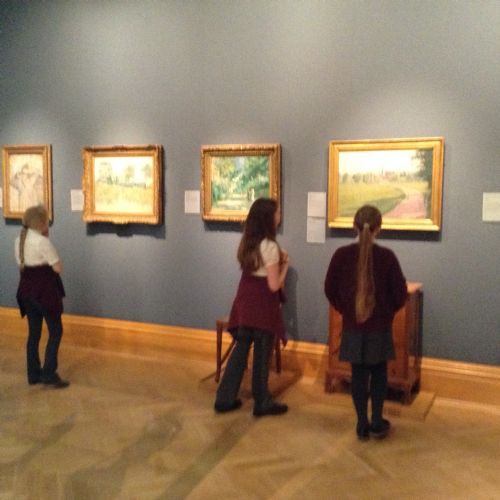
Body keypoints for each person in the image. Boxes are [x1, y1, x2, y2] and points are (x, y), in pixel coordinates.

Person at [324, 205, 407, 440]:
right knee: (379, 374)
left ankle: (362, 423)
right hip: (379, 327)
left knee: (358, 375)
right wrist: (386, 313)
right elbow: (400, 294)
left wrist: (347, 311)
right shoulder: (387, 257)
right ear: (379, 229)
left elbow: (329, 289)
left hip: (353, 325)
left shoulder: (341, 255)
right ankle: (377, 421)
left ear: (354, 226)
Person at [214, 198, 289, 417]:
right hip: (262, 305)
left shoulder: (248, 241)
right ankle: (262, 401)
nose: (279, 216)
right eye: (277, 212)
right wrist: (285, 266)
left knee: (240, 350)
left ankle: (224, 398)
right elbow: (274, 285)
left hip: (244, 302)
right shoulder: (270, 246)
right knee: (262, 354)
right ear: (269, 218)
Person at [15, 205, 69, 389]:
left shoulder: (19, 240)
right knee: (55, 331)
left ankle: (33, 373)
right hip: (44, 293)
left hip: (27, 292)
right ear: (42, 223)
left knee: (34, 333)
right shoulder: (42, 242)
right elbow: (58, 268)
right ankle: (49, 373)